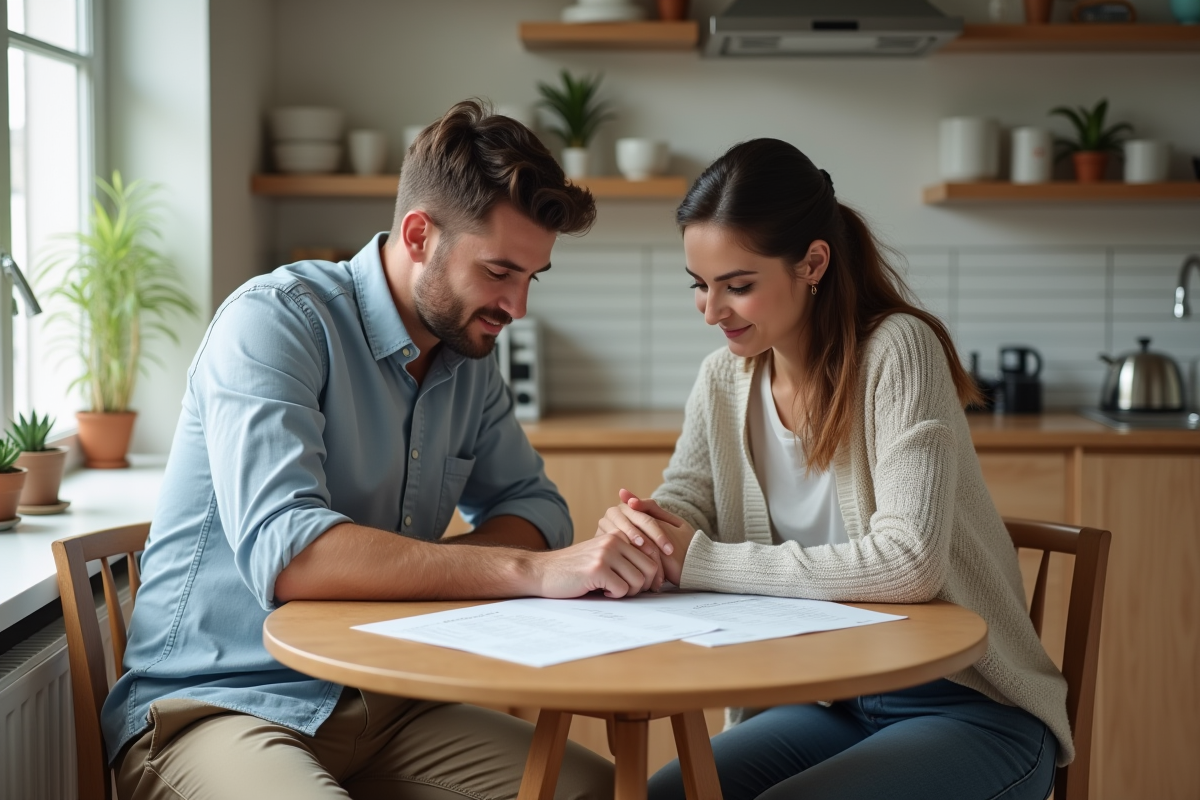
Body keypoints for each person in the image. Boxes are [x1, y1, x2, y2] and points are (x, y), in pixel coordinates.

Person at [104, 100, 661, 800]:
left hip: (388, 700)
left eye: (530, 278)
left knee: (602, 793)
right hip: (221, 707)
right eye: (498, 272)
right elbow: (295, 557)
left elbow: (536, 507)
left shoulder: (467, 359)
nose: (518, 307)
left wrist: (431, 570)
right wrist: (526, 570)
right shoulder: (274, 322)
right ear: (420, 234)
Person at [594, 138, 1071, 800]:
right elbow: (690, 500)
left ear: (812, 262)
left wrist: (693, 558)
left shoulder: (898, 352)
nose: (711, 311)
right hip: (827, 700)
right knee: (666, 796)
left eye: (738, 286)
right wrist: (644, 529)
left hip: (968, 707)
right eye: (700, 286)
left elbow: (909, 563)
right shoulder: (722, 381)